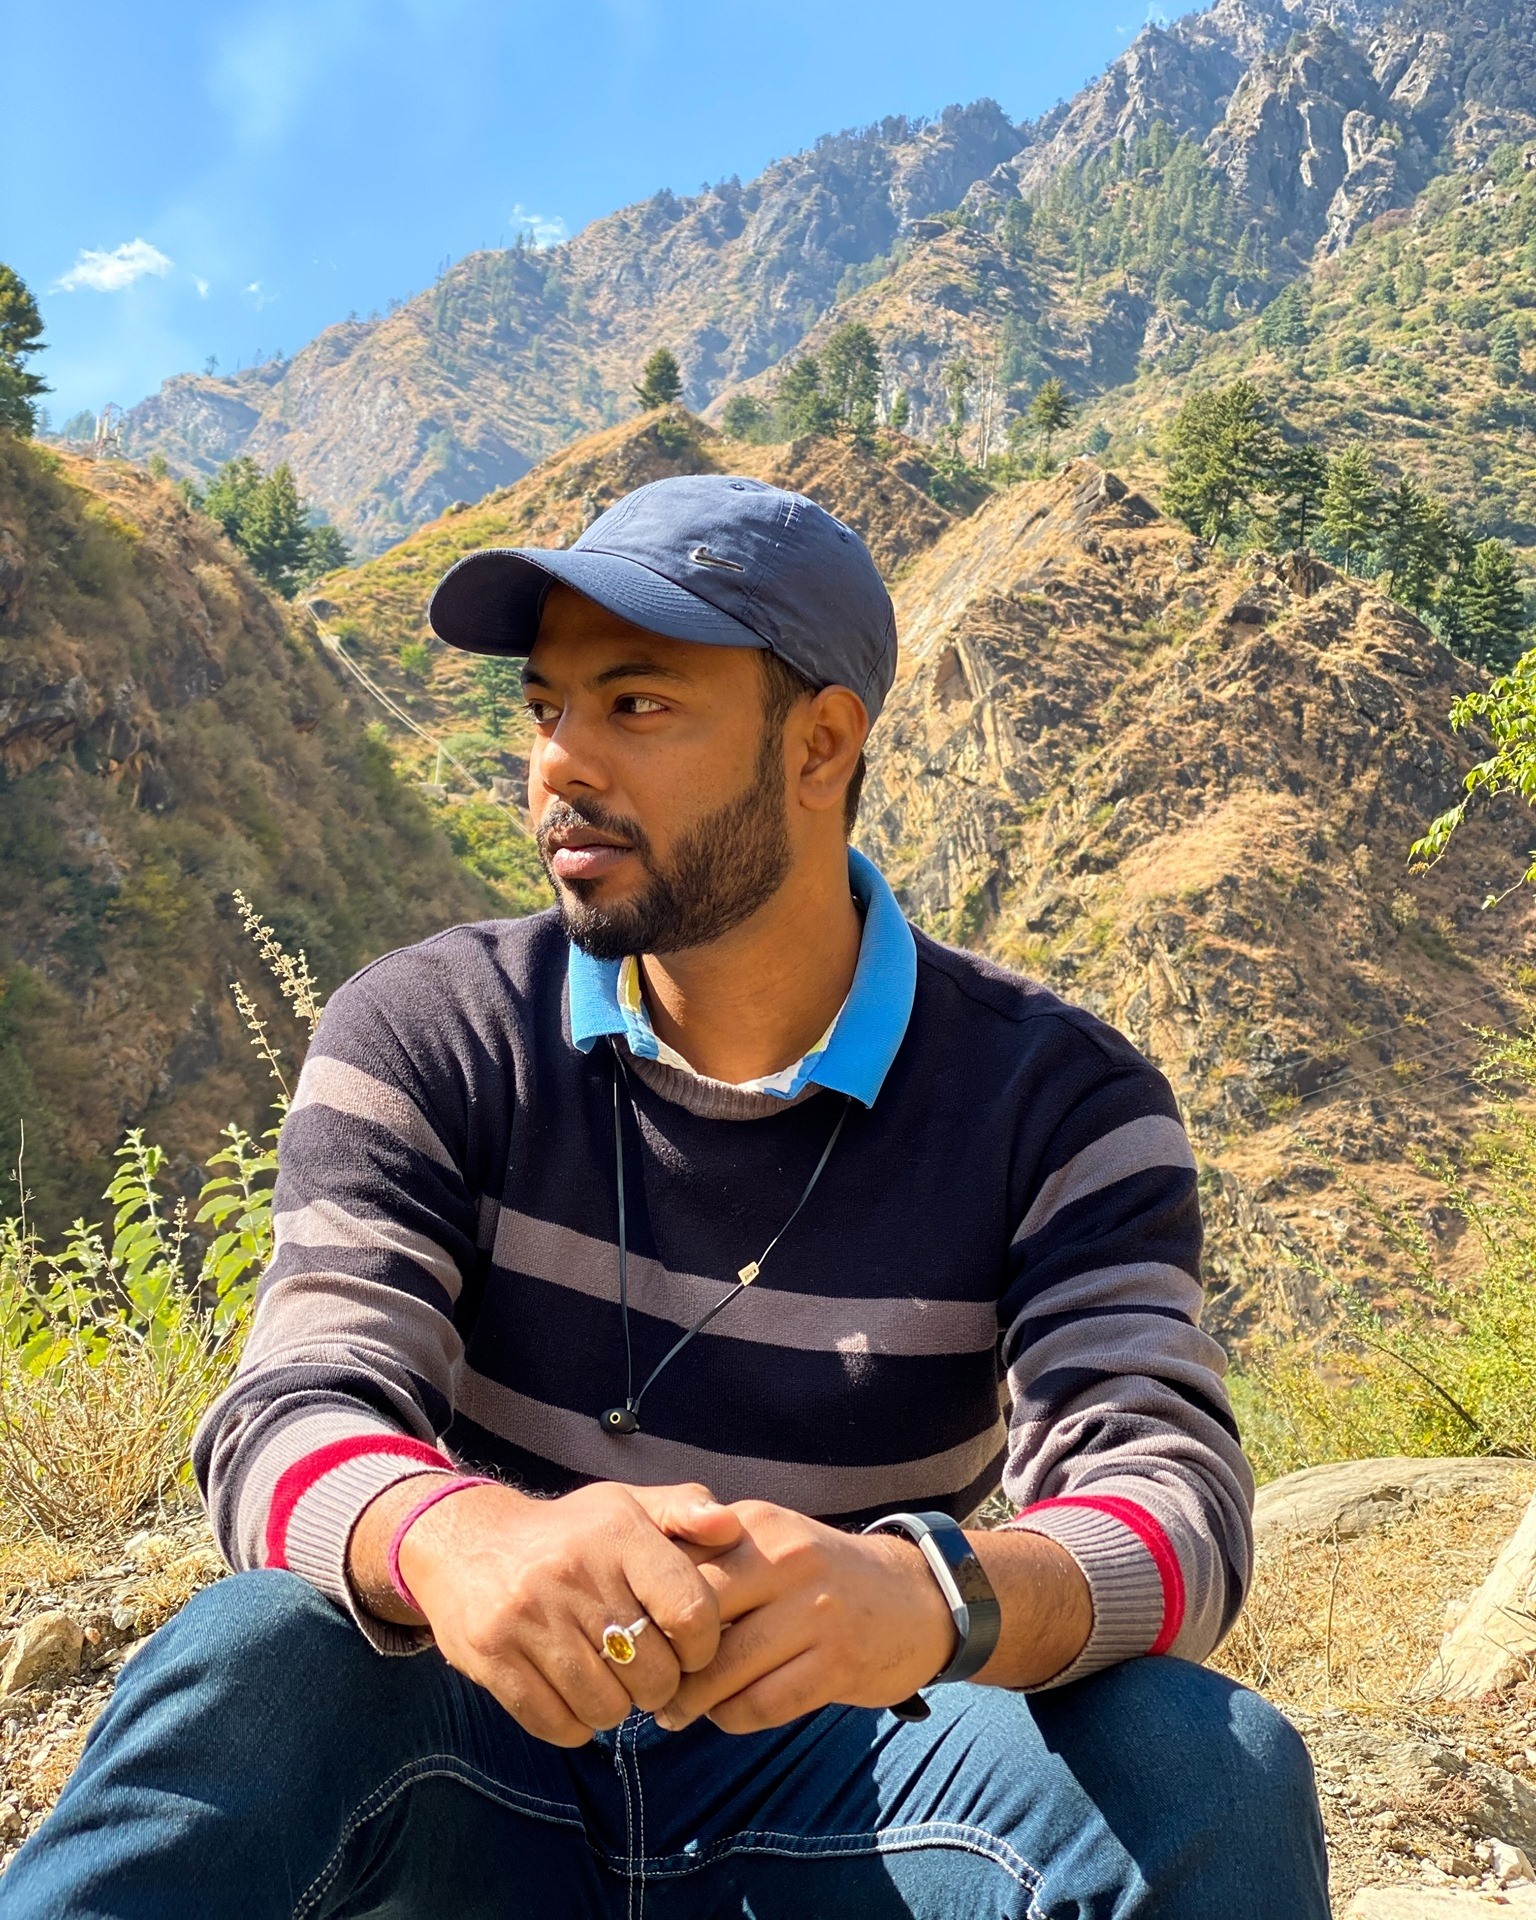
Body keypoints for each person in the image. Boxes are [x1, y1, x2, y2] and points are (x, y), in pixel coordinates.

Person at [4, 475, 1329, 1918]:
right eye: (545, 709)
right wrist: (460, 1539)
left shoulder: (1061, 1101)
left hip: (858, 1779)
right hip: (479, 1740)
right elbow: (290, 1411)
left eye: (636, 706)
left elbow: (1173, 1500)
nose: (562, 765)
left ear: (820, 745)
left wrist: (929, 1598)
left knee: (1208, 1765)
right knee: (254, 1659)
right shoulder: (431, 1030)